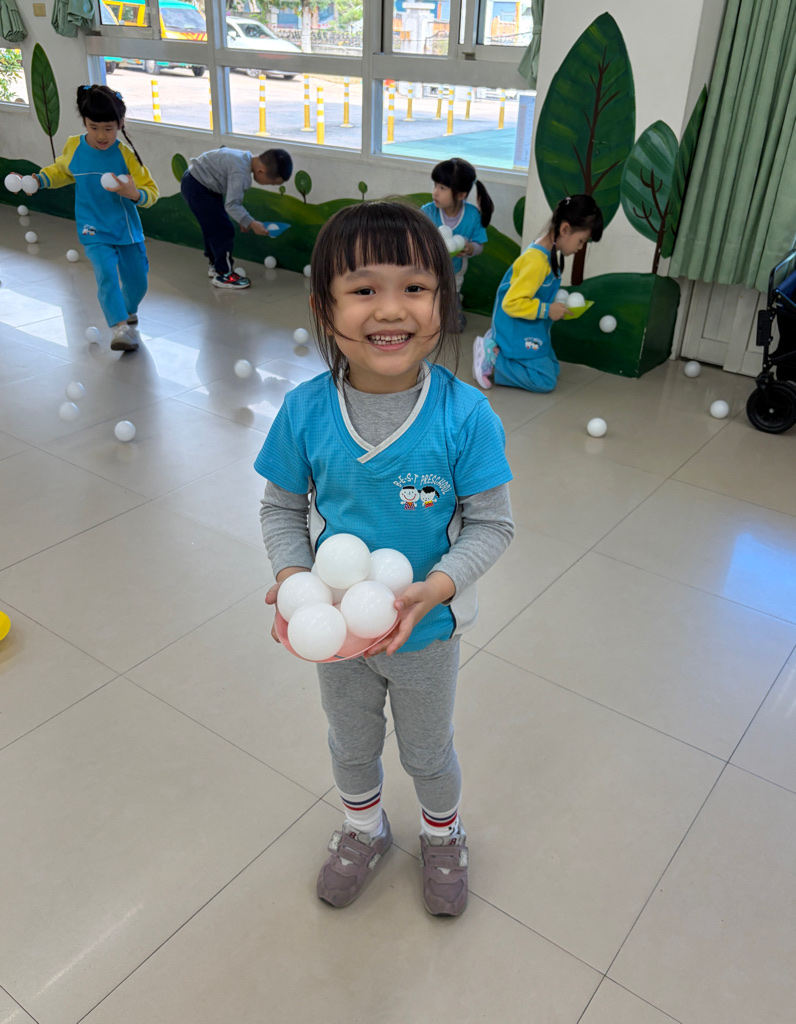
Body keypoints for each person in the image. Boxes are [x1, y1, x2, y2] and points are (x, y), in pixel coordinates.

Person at [255, 200, 514, 917]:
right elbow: (280, 509)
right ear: (324, 307)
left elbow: (492, 525)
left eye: (415, 287)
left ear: (443, 302)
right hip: (339, 631)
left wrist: (440, 586)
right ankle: (364, 828)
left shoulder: (465, 416)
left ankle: (443, 834)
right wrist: (293, 579)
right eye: (364, 289)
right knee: (350, 741)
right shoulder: (305, 411)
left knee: (427, 751)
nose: (391, 309)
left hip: (425, 632)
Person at [27, 85, 158, 352]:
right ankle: (120, 328)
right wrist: (39, 180)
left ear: (120, 124)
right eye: (93, 126)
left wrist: (134, 194)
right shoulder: (75, 146)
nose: (101, 135)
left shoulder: (126, 155)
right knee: (106, 273)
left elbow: (151, 192)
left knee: (138, 282)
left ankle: (127, 309)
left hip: (126, 230)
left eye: (108, 128)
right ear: (85, 122)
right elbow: (62, 171)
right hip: (92, 228)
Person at [473, 194, 604, 392]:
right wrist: (547, 310)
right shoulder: (536, 261)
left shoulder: (546, 253)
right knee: (545, 380)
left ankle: (501, 348)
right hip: (515, 327)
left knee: (553, 368)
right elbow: (511, 303)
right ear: (565, 229)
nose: (580, 248)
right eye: (581, 241)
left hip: (530, 326)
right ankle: (493, 356)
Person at [180, 146, 292, 289]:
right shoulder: (240, 172)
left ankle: (215, 265)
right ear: (261, 171)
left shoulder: (243, 159)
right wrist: (251, 223)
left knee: (213, 226)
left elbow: (232, 198)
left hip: (197, 182)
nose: (268, 185)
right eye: (270, 183)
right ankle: (224, 274)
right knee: (223, 230)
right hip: (199, 187)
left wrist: (242, 219)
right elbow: (232, 205)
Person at [420, 157, 493, 331]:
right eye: (435, 185)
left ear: (461, 195)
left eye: (442, 188)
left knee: (455, 326)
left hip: (454, 274)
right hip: (427, 274)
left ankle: (452, 302)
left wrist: (469, 248)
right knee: (424, 319)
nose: (435, 192)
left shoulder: (472, 215)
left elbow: (479, 246)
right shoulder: (428, 212)